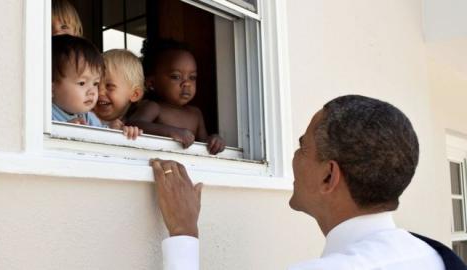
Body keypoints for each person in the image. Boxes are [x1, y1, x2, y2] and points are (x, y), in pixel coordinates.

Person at [151, 95, 463, 269]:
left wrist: (183, 234)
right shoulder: (433, 256)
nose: (294, 157)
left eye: (303, 147)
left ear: (329, 175)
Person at [128, 39, 225, 155]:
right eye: (176, 76)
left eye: (192, 77)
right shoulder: (154, 107)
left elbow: (204, 145)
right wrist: (169, 132)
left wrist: (214, 140)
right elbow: (133, 124)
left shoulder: (196, 114)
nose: (187, 83)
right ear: (151, 83)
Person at [52, 35, 141, 139]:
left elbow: (103, 139)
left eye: (95, 84)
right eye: (82, 83)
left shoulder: (88, 117)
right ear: (51, 88)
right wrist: (62, 130)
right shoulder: (43, 115)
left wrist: (120, 132)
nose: (93, 92)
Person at [94, 49, 144, 140]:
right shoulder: (82, 116)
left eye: (109, 86)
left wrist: (129, 133)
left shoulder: (132, 124)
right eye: (95, 84)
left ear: (135, 94)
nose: (99, 92)